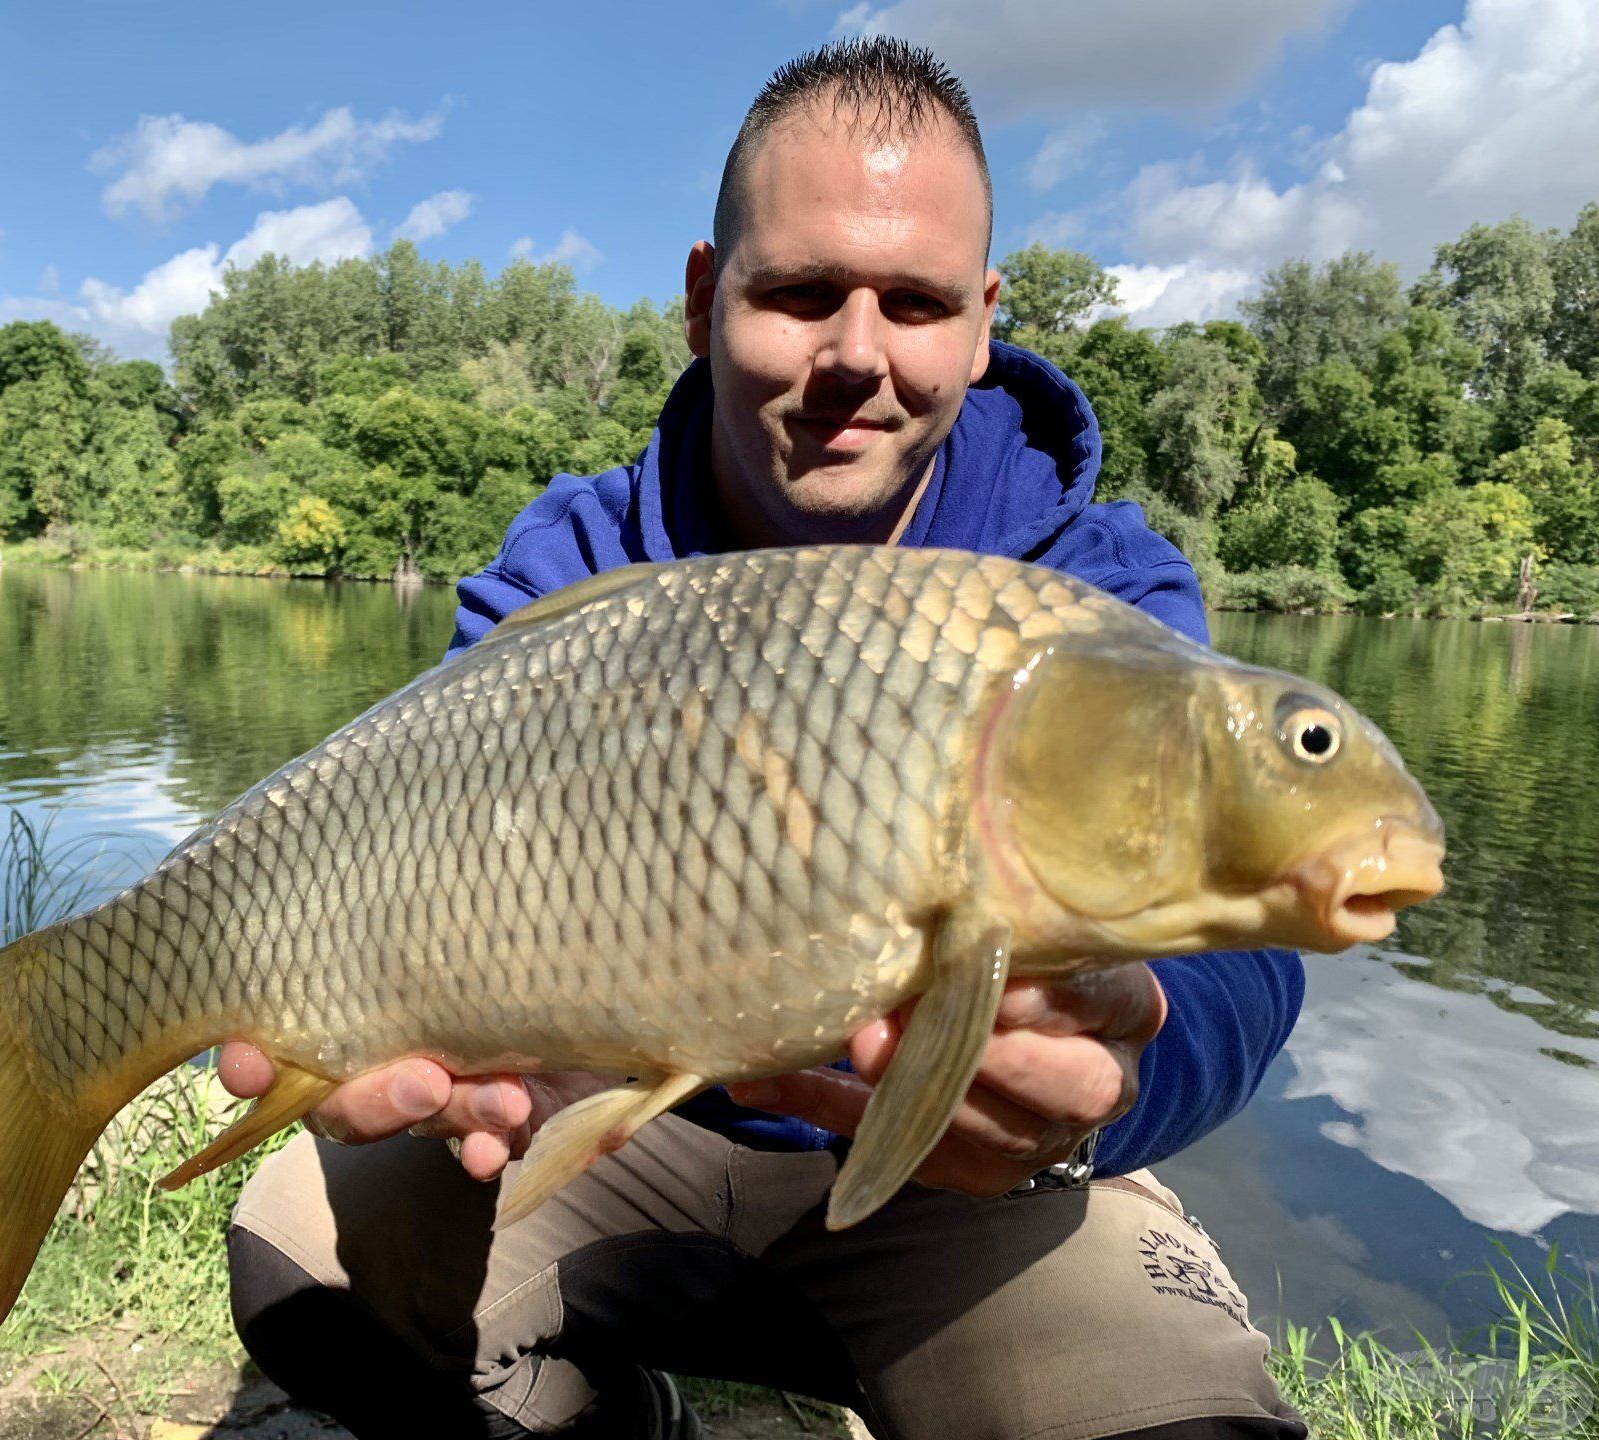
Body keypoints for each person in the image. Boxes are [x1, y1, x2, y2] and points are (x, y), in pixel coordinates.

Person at [218, 38, 1309, 1440]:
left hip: (972, 1191)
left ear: (982, 325)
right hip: (625, 1134)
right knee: (303, 1242)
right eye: (800, 291)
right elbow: (426, 840)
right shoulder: (575, 562)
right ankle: (615, 1419)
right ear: (700, 298)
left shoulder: (1084, 597)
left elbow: (1248, 947)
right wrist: (406, 1011)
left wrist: (1121, 1072)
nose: (856, 353)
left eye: (913, 302)